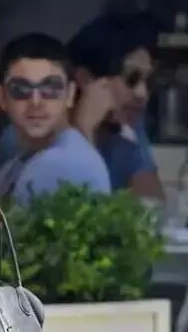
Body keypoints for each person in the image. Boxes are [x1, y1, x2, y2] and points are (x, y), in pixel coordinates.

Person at [0, 33, 111, 203]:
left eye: (51, 88)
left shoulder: (60, 163)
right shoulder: (22, 156)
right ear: (0, 96)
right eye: (20, 89)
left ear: (70, 94)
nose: (36, 102)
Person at [69, 12, 164, 199]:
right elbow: (78, 209)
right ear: (86, 80)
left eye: (149, 81)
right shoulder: (39, 130)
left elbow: (153, 205)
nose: (143, 94)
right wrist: (85, 131)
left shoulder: (127, 125)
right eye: (131, 79)